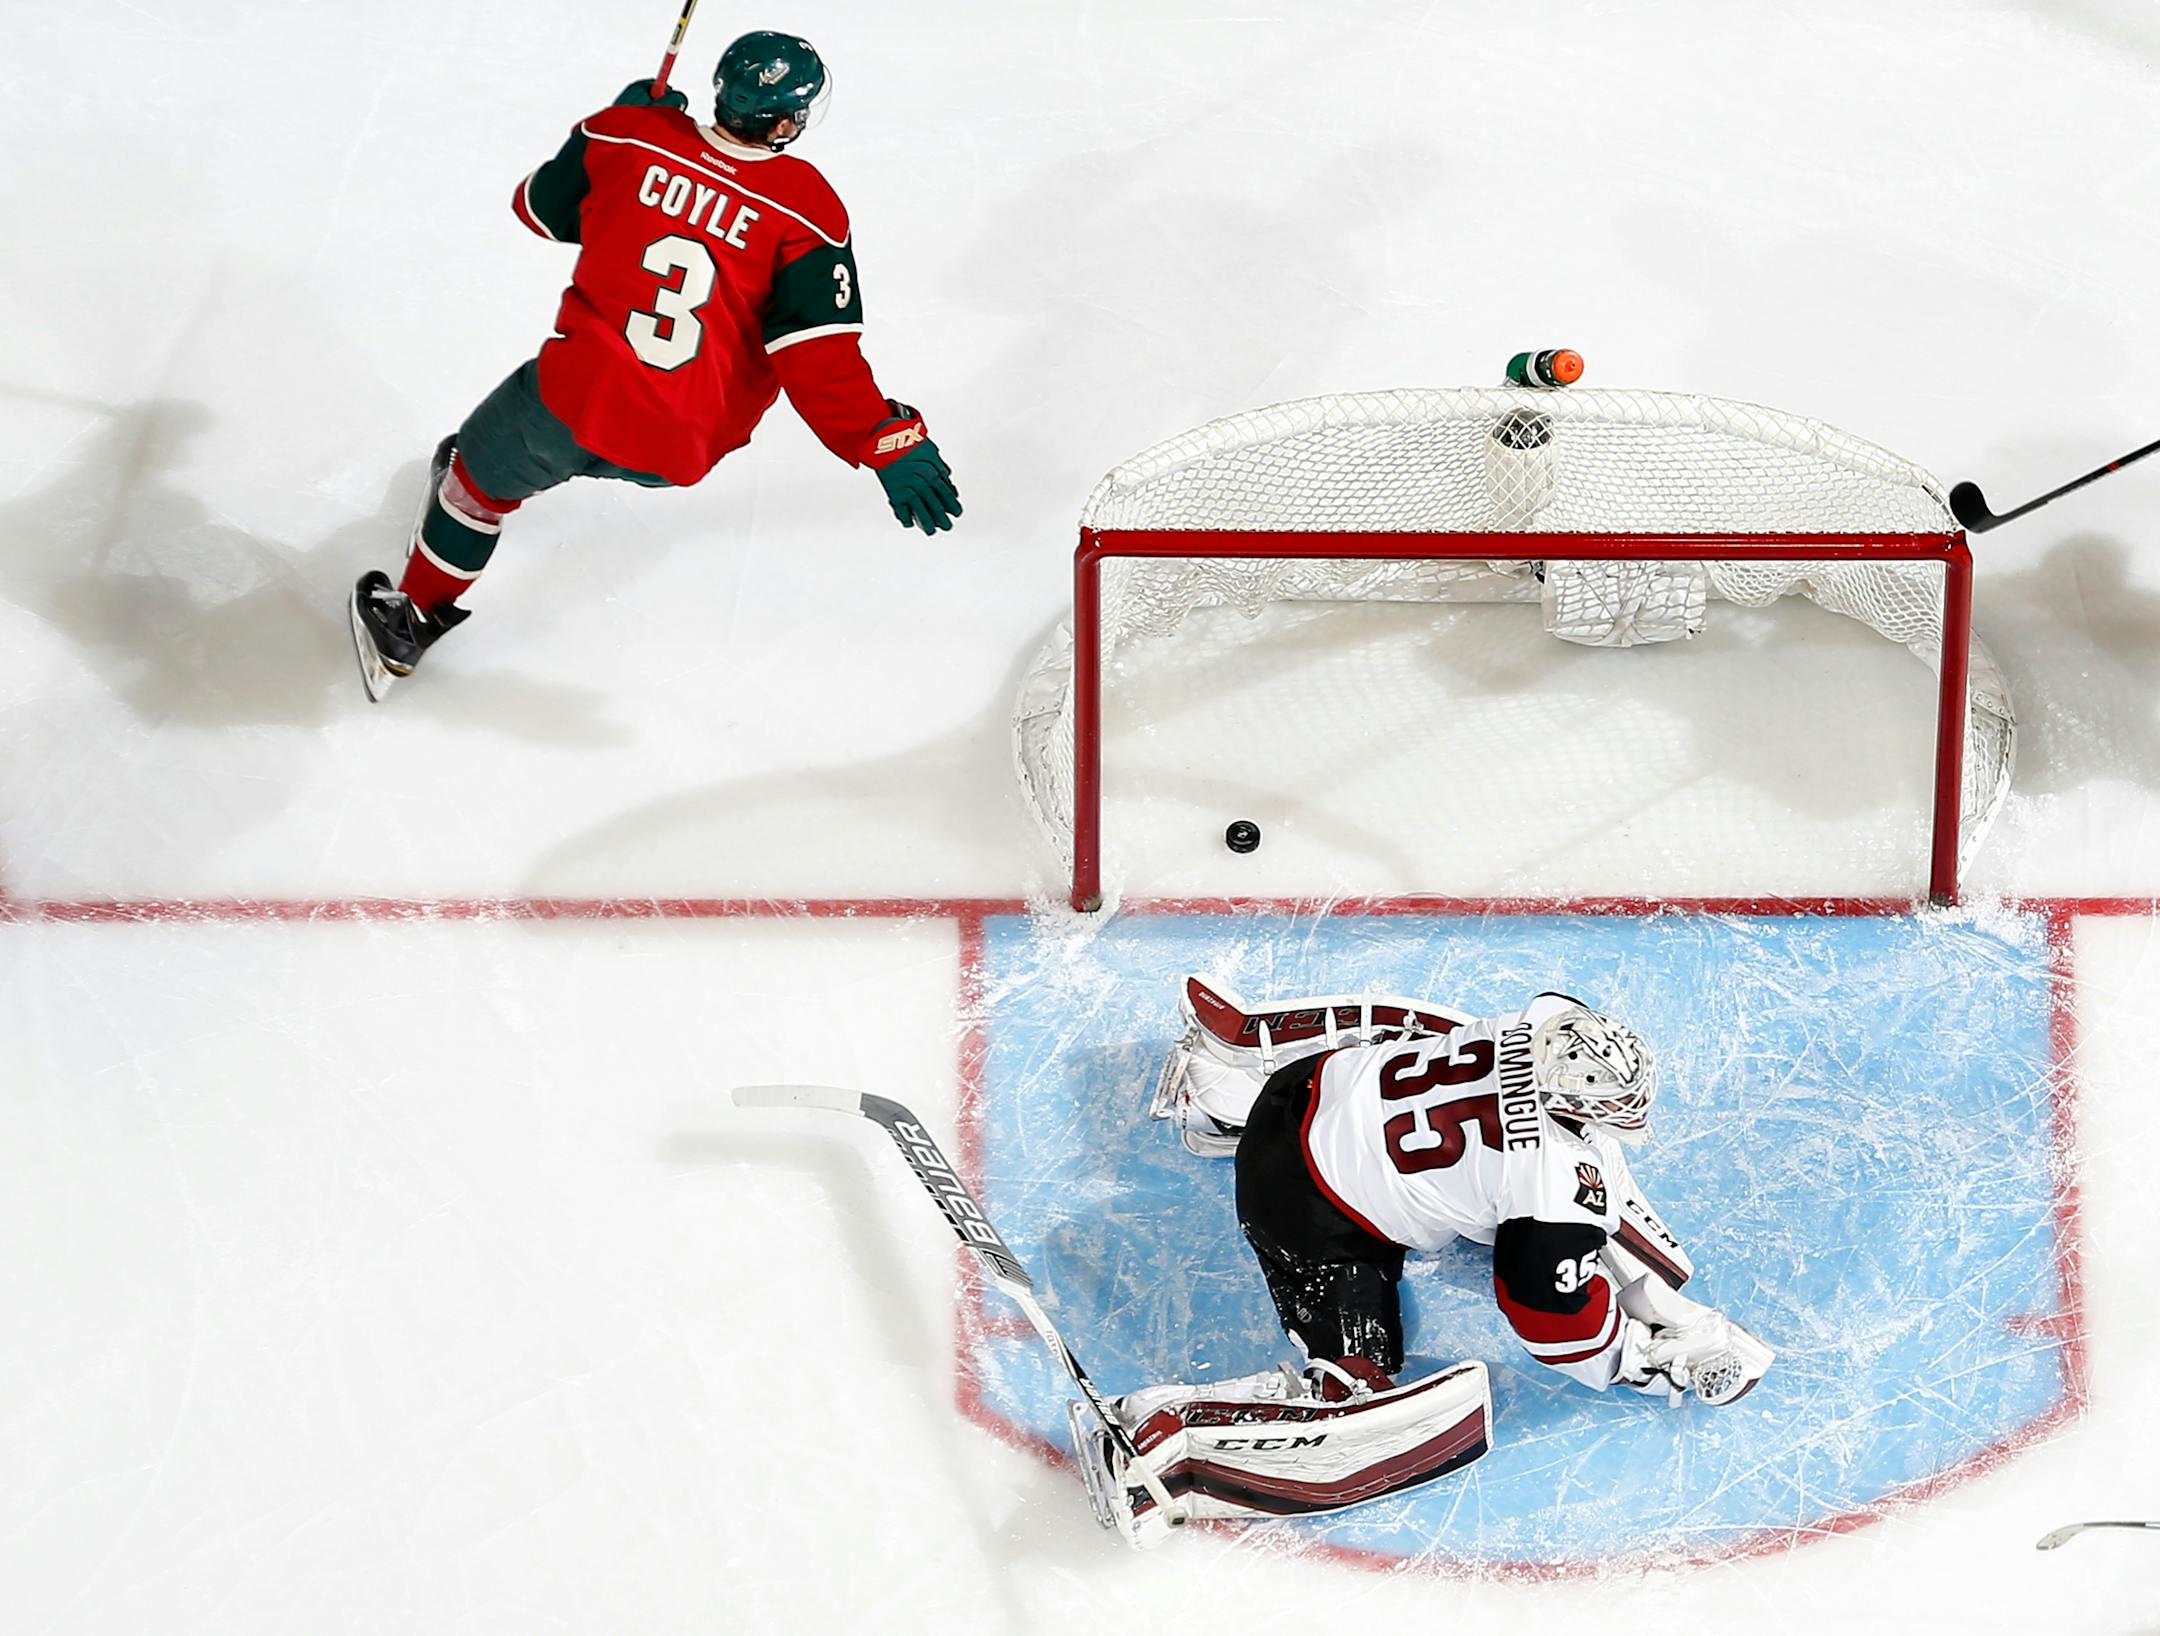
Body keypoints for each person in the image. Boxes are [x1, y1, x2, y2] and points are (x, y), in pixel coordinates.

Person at [348, 31, 960, 701]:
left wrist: (607, 127)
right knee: (527, 447)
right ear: (786, 121)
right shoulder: (808, 208)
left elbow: (541, 211)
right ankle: (494, 483)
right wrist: (885, 440)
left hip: (569, 408)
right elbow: (817, 358)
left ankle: (413, 615)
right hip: (684, 443)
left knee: (474, 478)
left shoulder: (627, 136)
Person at [1075, 976, 1772, 1545]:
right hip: (1302, 1208)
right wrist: (1641, 1364)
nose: (1628, 1109)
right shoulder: (1554, 1182)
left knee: (1435, 1028)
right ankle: (1161, 1445)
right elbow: (1549, 1319)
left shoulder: (1537, 1024)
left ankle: (1228, 1073)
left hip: (1297, 1087)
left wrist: (1631, 1266)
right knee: (1358, 1382)